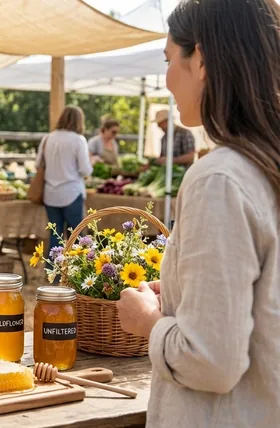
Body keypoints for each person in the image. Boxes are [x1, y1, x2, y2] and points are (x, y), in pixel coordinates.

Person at [116, 1, 280, 427]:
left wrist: (148, 321)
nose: (167, 79)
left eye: (170, 59)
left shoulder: (219, 178)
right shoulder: (265, 166)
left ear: (201, 60)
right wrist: (181, 293)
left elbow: (211, 361)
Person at [36, 106, 92, 254]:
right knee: (77, 237)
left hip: (50, 194)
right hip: (72, 193)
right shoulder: (78, 140)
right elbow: (85, 170)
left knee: (55, 236)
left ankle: (53, 273)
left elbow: (38, 165)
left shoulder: (48, 138)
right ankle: (78, 274)